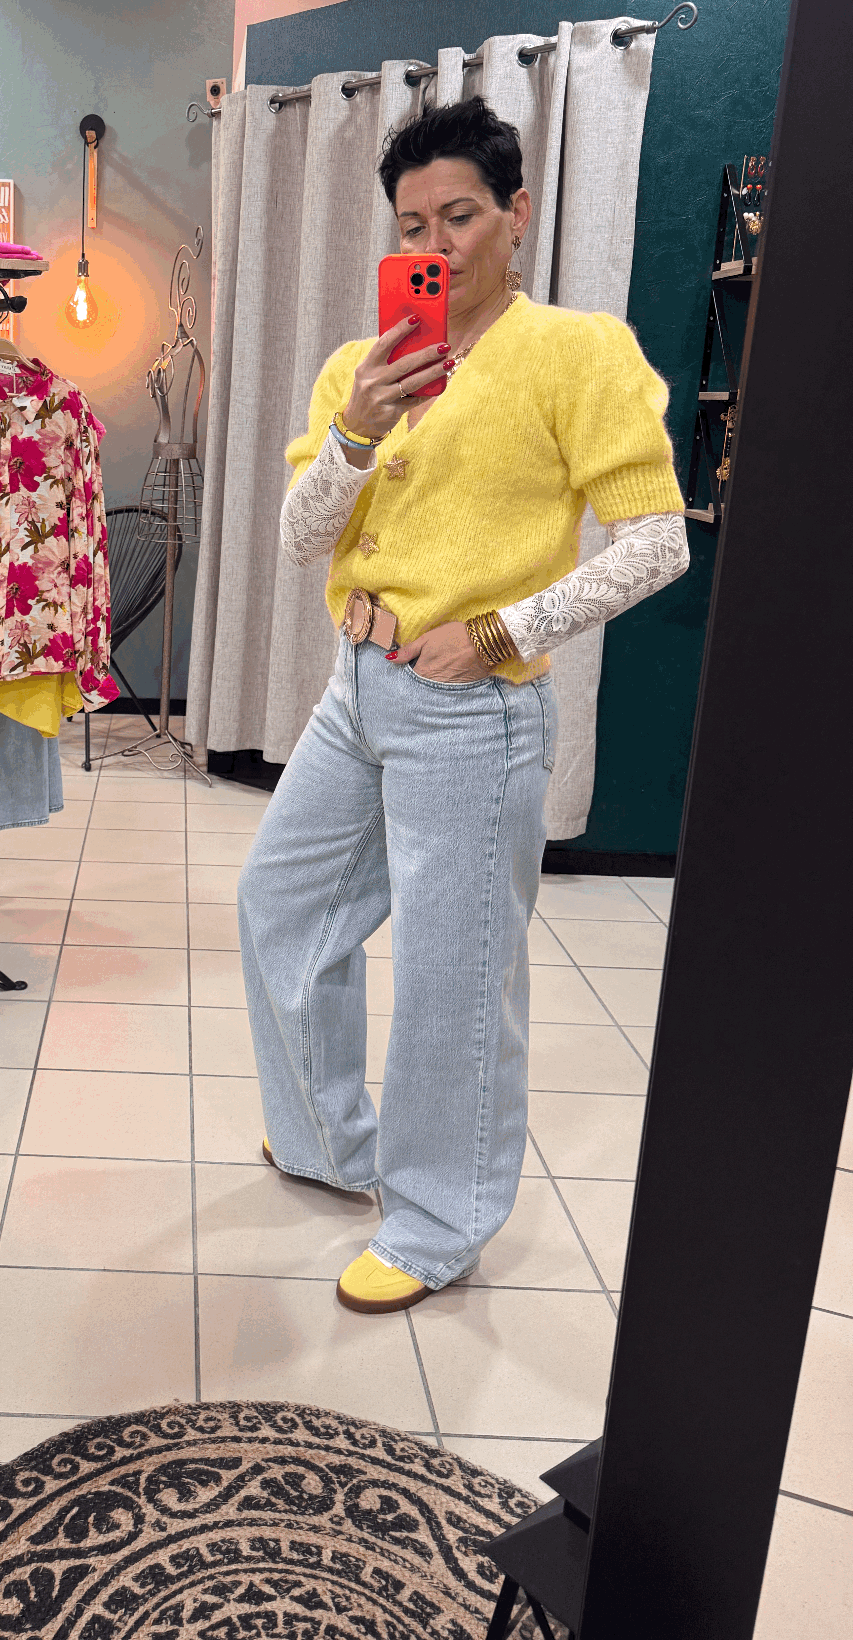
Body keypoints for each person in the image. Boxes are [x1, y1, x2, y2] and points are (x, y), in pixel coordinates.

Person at [237, 96, 689, 1315]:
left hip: (472, 709)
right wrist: (356, 430)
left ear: (516, 214)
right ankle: (331, 1141)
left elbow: (656, 544)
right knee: (281, 905)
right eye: (412, 224)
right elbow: (301, 539)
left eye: (460, 215)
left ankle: (438, 1225)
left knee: (453, 974)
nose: (435, 243)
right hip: (355, 688)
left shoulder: (577, 354)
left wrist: (502, 632)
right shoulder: (361, 367)